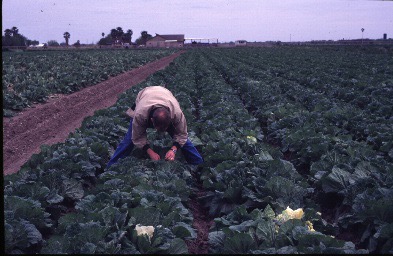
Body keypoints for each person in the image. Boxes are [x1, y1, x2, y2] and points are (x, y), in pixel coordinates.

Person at [106, 85, 203, 169]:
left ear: (170, 121)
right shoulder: (140, 114)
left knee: (184, 141)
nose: (161, 132)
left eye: (165, 128)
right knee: (129, 140)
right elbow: (137, 137)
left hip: (165, 94)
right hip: (145, 94)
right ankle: (112, 167)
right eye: (158, 129)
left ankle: (198, 164)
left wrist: (173, 149)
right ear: (152, 121)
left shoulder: (177, 114)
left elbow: (182, 134)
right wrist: (150, 152)